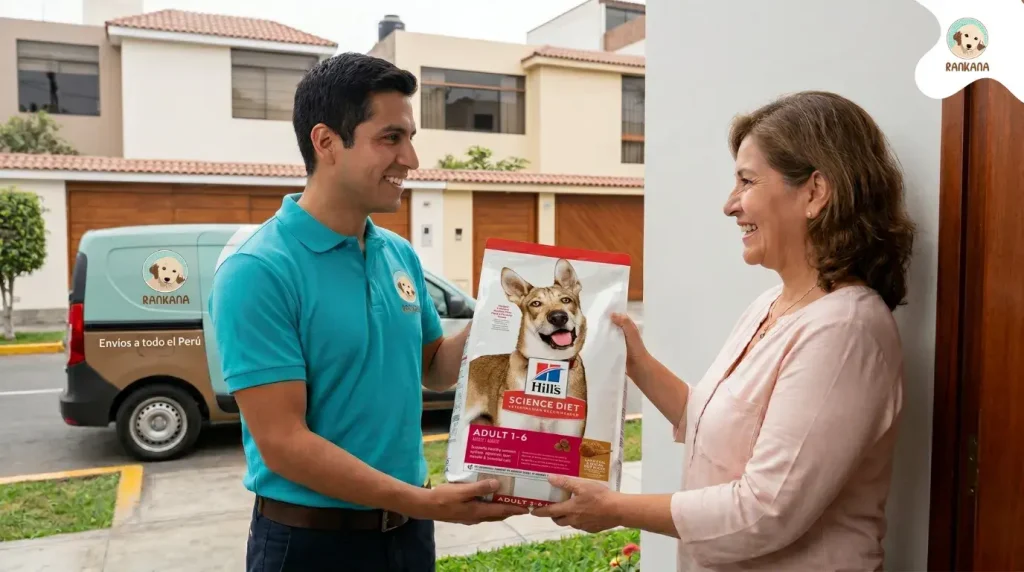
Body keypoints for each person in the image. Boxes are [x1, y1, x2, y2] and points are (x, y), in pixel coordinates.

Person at [533, 90, 916, 571]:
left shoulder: (846, 331)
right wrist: (637, 363)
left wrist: (612, 508)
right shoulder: (771, 305)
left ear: (815, 192)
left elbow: (765, 511)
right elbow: (714, 425)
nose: (729, 205)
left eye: (746, 181)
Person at [209, 52, 527, 572]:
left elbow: (434, 370)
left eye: (410, 137)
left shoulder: (397, 254)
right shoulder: (259, 270)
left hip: (406, 535)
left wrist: (499, 317)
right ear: (326, 142)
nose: (412, 159)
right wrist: (423, 502)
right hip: (311, 545)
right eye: (391, 138)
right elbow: (283, 444)